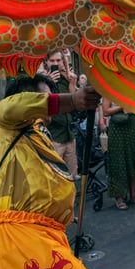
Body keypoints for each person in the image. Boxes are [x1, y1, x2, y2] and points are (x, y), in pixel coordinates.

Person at [0, 75, 110, 269]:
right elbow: (9, 107)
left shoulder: (38, 131)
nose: (50, 103)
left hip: (42, 236)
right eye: (44, 98)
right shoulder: (6, 120)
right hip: (18, 236)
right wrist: (72, 99)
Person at [101, 98, 135, 208]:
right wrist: (122, 107)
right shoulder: (108, 90)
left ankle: (133, 195)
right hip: (117, 129)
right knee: (118, 161)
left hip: (131, 126)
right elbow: (106, 111)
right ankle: (119, 197)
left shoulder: (127, 87)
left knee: (133, 158)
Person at [40, 50, 79, 179]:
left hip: (68, 134)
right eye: (52, 61)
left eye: (58, 60)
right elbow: (43, 107)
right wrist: (48, 83)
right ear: (46, 62)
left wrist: (72, 84)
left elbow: (75, 106)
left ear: (63, 62)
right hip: (53, 136)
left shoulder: (66, 79)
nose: (55, 63)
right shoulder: (41, 81)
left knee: (71, 176)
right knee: (54, 178)